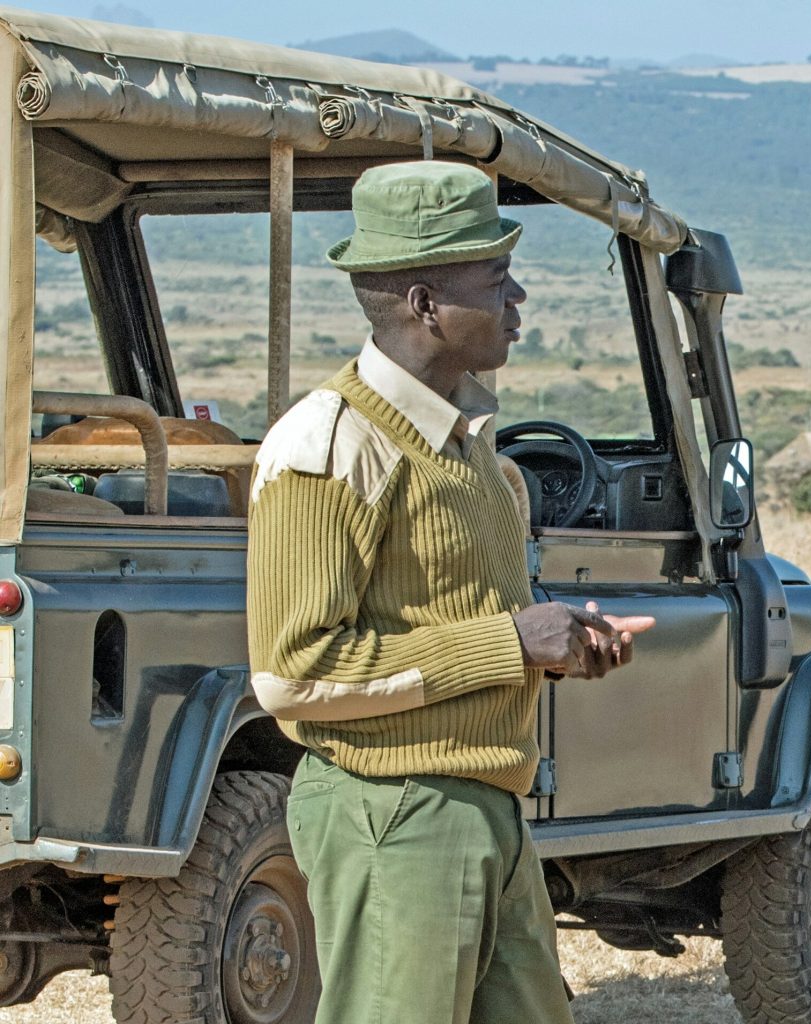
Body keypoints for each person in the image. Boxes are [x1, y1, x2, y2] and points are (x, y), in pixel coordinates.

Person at [246, 160, 654, 1024]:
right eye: (496, 279)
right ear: (425, 303)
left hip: (486, 812)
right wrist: (510, 642)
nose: (519, 300)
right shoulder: (332, 443)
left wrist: (563, 643)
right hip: (392, 811)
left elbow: (459, 621)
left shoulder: (468, 445)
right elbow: (294, 671)